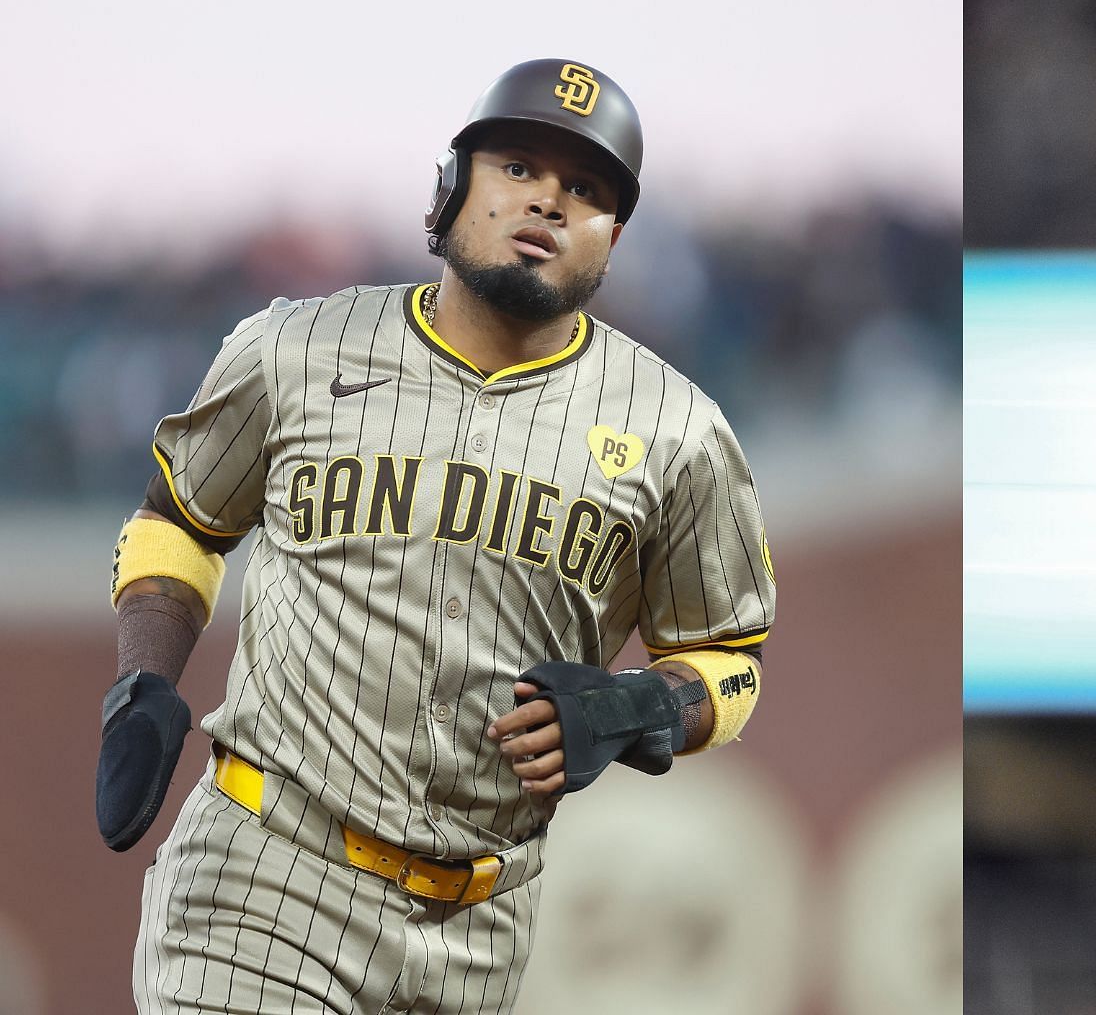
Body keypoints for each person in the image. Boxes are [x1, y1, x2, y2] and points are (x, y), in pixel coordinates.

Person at [98, 58, 775, 1013]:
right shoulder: (295, 349)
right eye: (518, 168)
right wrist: (144, 677)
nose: (547, 201)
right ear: (452, 186)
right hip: (265, 876)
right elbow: (180, 520)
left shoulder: (678, 432)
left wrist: (640, 710)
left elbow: (730, 659)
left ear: (612, 239)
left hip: (480, 933)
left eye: (584, 190)